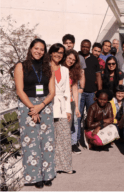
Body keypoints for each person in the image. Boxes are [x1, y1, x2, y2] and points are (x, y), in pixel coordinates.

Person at [15, 38, 55, 188]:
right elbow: (20, 90)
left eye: (42, 49)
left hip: (45, 105)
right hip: (27, 105)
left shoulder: (48, 67)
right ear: (31, 48)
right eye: (36, 48)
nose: (39, 51)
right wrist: (33, 108)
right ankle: (35, 176)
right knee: (31, 142)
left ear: (44, 52)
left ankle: (48, 174)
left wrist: (41, 106)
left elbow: (52, 92)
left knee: (47, 142)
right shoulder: (21, 66)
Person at [49, 43, 75, 175]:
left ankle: (65, 166)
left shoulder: (65, 70)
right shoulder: (45, 68)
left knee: (64, 137)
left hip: (62, 106)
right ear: (51, 52)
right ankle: (52, 167)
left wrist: (68, 110)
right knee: (51, 137)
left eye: (61, 53)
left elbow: (67, 91)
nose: (58, 55)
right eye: (56, 52)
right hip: (48, 105)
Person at [62, 34, 85, 154]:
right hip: (59, 102)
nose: (71, 61)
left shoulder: (73, 71)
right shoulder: (59, 68)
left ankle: (71, 144)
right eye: (69, 58)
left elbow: (75, 88)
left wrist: (76, 106)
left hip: (70, 102)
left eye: (73, 60)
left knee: (72, 123)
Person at [77, 39, 102, 146]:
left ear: (90, 48)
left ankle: (90, 139)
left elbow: (98, 76)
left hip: (91, 92)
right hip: (79, 92)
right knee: (78, 116)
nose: (85, 48)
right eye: (83, 46)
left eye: (87, 47)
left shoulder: (94, 59)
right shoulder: (76, 56)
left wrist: (99, 91)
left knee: (91, 117)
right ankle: (77, 139)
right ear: (80, 46)